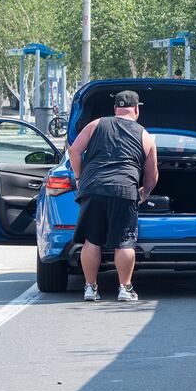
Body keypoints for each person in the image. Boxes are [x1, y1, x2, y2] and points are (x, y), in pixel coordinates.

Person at [69, 90, 159, 302]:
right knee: (124, 242)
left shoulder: (96, 124)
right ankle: (124, 288)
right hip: (124, 190)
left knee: (92, 240)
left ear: (115, 109)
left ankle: (90, 288)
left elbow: (74, 151)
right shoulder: (144, 135)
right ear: (137, 109)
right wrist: (144, 193)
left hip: (94, 188)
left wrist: (80, 177)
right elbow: (152, 173)